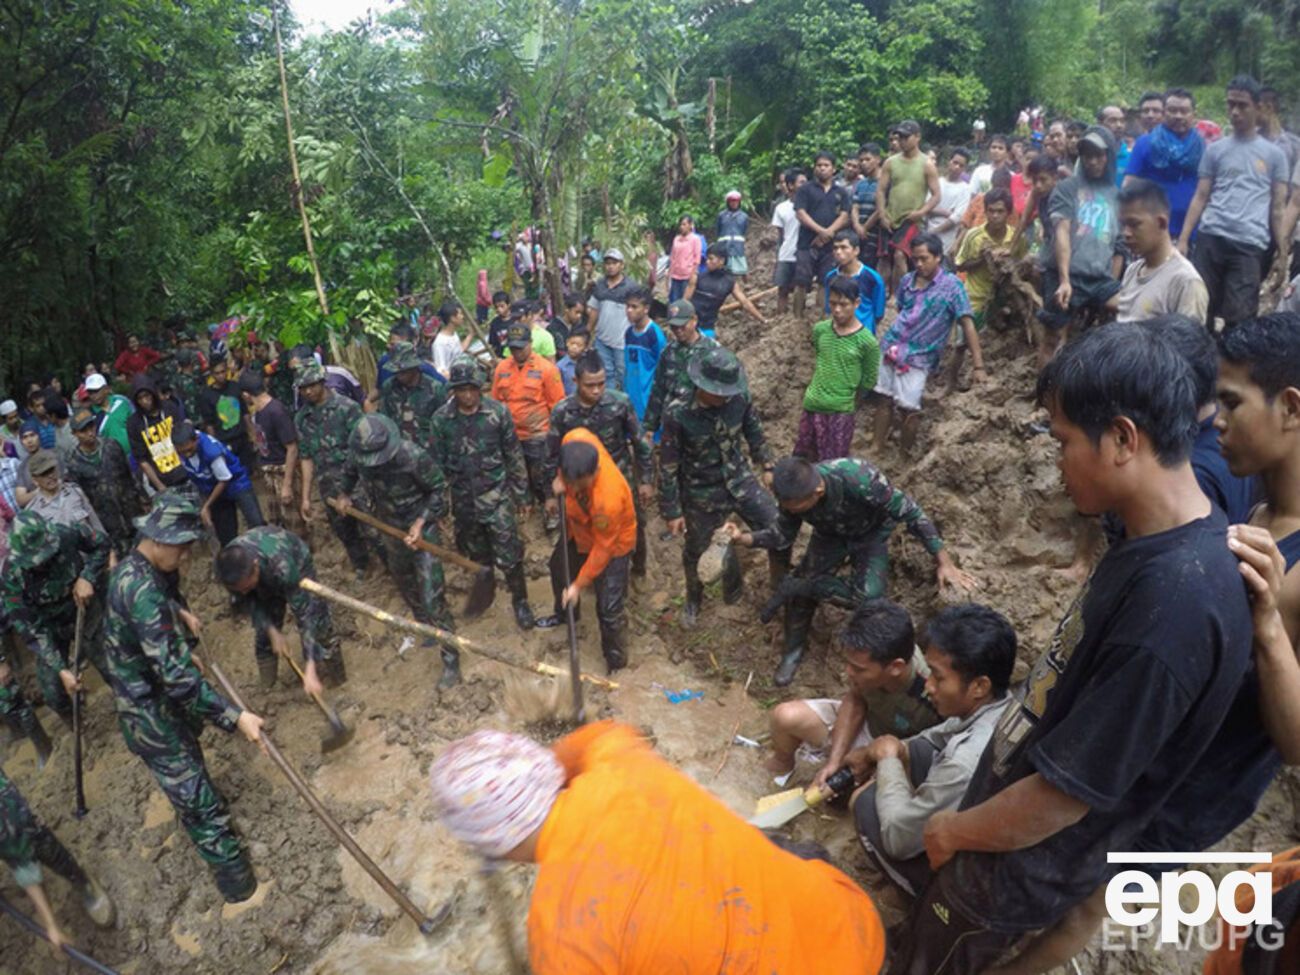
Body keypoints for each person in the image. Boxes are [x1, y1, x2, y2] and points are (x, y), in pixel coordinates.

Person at [888, 323, 1253, 975]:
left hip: (1017, 865)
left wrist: (952, 830)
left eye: (1063, 440)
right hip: (1005, 837)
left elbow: (1064, 796)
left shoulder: (1174, 607)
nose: (1056, 462)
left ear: (1121, 437)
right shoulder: (1155, 544)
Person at [428, 721, 886, 974]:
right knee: (759, 844)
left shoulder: (559, 936)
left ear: (494, 845)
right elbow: (602, 733)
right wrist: (547, 768)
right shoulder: (616, 762)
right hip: (855, 925)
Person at [102, 491, 266, 902]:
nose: (186, 558)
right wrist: (234, 716)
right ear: (159, 540)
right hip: (149, 715)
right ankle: (240, 891)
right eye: (183, 549)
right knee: (198, 803)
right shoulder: (141, 589)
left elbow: (157, 637)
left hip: (156, 700)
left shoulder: (137, 570)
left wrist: (178, 614)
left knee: (193, 774)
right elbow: (177, 679)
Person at [732, 455, 975, 684]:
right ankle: (793, 651)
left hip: (871, 534)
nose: (789, 509)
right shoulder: (791, 495)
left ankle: (808, 586)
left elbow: (912, 513)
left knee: (868, 599)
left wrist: (944, 562)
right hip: (829, 536)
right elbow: (781, 535)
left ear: (817, 491)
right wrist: (742, 538)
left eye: (795, 506)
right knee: (798, 594)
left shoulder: (860, 479)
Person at [847, 604, 1016, 898]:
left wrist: (887, 760)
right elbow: (935, 736)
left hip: (982, 885)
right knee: (917, 749)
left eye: (938, 677)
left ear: (979, 686)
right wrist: (884, 749)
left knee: (864, 803)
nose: (928, 686)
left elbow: (899, 837)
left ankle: (921, 898)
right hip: (984, 828)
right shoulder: (998, 705)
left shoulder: (965, 762)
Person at [660, 347, 787, 626]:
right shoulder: (678, 413)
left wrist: (766, 465)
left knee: (778, 528)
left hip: (739, 479)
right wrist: (672, 510)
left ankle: (779, 591)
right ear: (700, 384)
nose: (724, 396)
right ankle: (694, 599)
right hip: (701, 489)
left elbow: (753, 432)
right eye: (718, 391)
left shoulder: (739, 399)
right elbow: (668, 465)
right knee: (696, 549)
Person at [332, 414, 459, 686]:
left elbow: (439, 489)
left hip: (420, 527)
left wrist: (422, 521)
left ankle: (451, 659)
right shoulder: (359, 454)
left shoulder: (411, 455)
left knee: (432, 593)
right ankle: (424, 626)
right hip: (388, 525)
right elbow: (349, 473)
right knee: (403, 578)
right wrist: (343, 494)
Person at [762, 599, 938, 782]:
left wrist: (872, 757)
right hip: (866, 726)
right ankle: (782, 766)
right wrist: (834, 761)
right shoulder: (877, 657)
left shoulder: (932, 691)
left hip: (896, 755)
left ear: (895, 667)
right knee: (786, 717)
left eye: (859, 669)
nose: (848, 672)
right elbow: (855, 700)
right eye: (848, 663)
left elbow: (937, 748)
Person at [430, 357, 536, 631]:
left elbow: (513, 455)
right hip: (464, 500)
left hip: (496, 496)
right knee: (476, 553)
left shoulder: (497, 413)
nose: (467, 395)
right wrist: (440, 507)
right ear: (453, 390)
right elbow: (437, 467)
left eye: (472, 388)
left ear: (481, 387)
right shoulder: (442, 420)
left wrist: (522, 495)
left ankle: (520, 600)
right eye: (461, 389)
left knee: (510, 554)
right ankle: (485, 590)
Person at [1178, 75, 1290, 328]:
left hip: (1249, 244)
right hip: (1211, 237)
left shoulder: (1275, 155)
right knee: (1198, 310)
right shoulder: (1216, 150)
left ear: (1258, 107)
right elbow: (1201, 196)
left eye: (1242, 105)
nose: (1235, 112)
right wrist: (1184, 239)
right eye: (1230, 105)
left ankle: (1231, 367)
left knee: (1240, 320)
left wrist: (1282, 254)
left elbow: (1278, 208)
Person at [873, 233, 987, 454]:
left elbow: (967, 323)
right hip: (892, 346)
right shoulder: (907, 281)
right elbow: (903, 312)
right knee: (883, 400)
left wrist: (978, 366)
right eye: (915, 259)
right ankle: (876, 446)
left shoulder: (952, 286)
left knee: (909, 409)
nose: (919, 264)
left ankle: (903, 456)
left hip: (919, 357)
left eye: (924, 258)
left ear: (938, 257)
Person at [546, 351, 654, 580]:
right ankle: (596, 573)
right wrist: (550, 494)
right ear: (576, 382)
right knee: (586, 526)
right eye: (589, 385)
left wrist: (646, 480)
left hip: (619, 476)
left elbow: (640, 442)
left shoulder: (619, 403)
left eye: (601, 384)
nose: (596, 390)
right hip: (580, 483)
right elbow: (552, 454)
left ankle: (638, 569)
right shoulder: (562, 412)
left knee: (634, 523)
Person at [535, 431, 636, 673]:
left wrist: (578, 585)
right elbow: (560, 468)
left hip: (612, 542)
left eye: (575, 484)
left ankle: (616, 661)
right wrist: (556, 486)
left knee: (608, 608)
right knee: (558, 567)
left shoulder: (607, 499)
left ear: (592, 475)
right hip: (577, 525)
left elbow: (603, 549)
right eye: (567, 481)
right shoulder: (576, 439)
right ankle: (565, 613)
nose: (569, 486)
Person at [1, 509, 110, 725]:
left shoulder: (64, 535)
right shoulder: (11, 577)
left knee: (113, 667)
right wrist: (61, 669)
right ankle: (79, 724)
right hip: (48, 628)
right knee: (53, 692)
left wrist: (87, 577)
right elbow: (30, 628)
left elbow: (102, 544)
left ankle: (137, 709)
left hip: (84, 611)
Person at [0, 767, 116, 959]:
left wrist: (51, 925)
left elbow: (23, 865)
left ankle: (79, 879)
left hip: (10, 820)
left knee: (33, 835)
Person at [215, 525, 346, 692]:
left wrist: (310, 669)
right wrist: (272, 632)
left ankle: (339, 680)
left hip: (296, 562)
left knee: (319, 624)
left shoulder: (281, 565)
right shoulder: (227, 569)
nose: (243, 592)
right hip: (264, 574)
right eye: (240, 589)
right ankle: (268, 686)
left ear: (255, 567)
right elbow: (249, 601)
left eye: (247, 586)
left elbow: (306, 614)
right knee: (264, 634)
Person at [1037, 126, 1121, 364]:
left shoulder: (1116, 196)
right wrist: (1064, 280)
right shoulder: (1067, 189)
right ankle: (1044, 397)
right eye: (1087, 155)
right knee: (1053, 336)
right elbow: (1061, 232)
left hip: (1099, 279)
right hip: (1064, 275)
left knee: (1127, 311)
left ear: (1108, 157)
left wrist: (1112, 282)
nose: (1093, 161)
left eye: (1099, 155)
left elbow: (1119, 246)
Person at [294, 362, 372, 581]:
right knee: (344, 531)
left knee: (373, 529)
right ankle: (362, 566)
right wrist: (306, 497)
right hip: (328, 485)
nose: (307, 391)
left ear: (322, 382)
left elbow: (363, 449)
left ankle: (390, 566)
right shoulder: (302, 419)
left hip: (357, 483)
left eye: (311, 385)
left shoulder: (347, 408)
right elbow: (306, 458)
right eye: (303, 388)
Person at [794, 277, 880, 463]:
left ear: (856, 303)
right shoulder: (820, 330)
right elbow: (820, 357)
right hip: (812, 404)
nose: (837, 310)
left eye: (843, 304)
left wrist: (852, 399)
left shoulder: (867, 342)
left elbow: (869, 379)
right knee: (803, 463)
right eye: (832, 303)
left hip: (840, 411)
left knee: (833, 467)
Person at [492, 322, 565, 530]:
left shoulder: (547, 370)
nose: (517, 352)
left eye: (521, 348)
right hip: (510, 434)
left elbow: (558, 406)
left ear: (531, 344)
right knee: (515, 474)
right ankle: (524, 507)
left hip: (538, 434)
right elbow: (496, 402)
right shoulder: (502, 369)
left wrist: (556, 438)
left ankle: (551, 510)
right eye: (513, 348)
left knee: (542, 474)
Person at [952, 186, 1028, 386]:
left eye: (1000, 211)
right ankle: (951, 382)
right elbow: (959, 264)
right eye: (991, 211)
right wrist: (982, 259)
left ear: (1008, 213)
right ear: (985, 211)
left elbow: (1023, 266)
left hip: (1002, 298)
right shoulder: (974, 236)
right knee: (961, 344)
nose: (995, 216)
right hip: (974, 297)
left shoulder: (1015, 238)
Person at [1112, 179, 1209, 323]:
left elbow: (1190, 343)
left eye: (1134, 224)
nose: (1126, 233)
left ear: (1161, 223)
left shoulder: (1185, 282)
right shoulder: (1132, 271)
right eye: (1123, 225)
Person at [1123, 87, 1205, 241]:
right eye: (1172, 110)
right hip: (1151, 232)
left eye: (1184, 111)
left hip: (1192, 234)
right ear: (1164, 112)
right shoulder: (1146, 143)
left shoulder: (1201, 147)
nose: (1178, 116)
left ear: (1194, 114)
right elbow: (1129, 186)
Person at [173, 420, 264, 548]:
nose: (186, 455)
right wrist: (205, 505)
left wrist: (207, 506)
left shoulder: (212, 452)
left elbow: (224, 479)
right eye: (182, 452)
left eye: (189, 450)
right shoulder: (181, 451)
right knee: (226, 535)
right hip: (212, 488)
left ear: (196, 440)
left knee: (256, 523)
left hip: (235, 482)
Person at [65, 407, 141, 557]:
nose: (90, 433)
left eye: (91, 427)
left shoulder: (111, 446)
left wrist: (141, 499)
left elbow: (129, 476)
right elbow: (82, 500)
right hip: (108, 525)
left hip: (132, 514)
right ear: (74, 434)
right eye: (83, 430)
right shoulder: (74, 464)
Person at [878, 120, 942, 296]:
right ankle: (881, 294)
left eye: (907, 137)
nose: (903, 141)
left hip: (911, 218)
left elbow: (936, 194)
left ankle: (903, 293)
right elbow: (881, 190)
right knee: (884, 257)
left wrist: (921, 212)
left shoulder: (926, 164)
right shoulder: (890, 162)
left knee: (901, 255)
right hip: (890, 216)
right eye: (901, 137)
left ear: (917, 137)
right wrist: (882, 214)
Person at [641, 298, 720, 438]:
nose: (678, 331)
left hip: (702, 427)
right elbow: (658, 389)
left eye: (682, 326)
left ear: (694, 320)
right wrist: (650, 427)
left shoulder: (712, 351)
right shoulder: (668, 352)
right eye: (673, 327)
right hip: (673, 425)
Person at [238, 370, 299, 534]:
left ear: (246, 395)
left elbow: (292, 448)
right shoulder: (257, 411)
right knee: (276, 520)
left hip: (281, 471)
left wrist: (287, 485)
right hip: (268, 470)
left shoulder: (276, 411)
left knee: (293, 521)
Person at [793, 151, 852, 319]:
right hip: (807, 243)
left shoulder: (840, 191)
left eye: (826, 165)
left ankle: (822, 318)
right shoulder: (805, 189)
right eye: (819, 165)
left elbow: (845, 215)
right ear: (814, 168)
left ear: (833, 169)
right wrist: (821, 231)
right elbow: (800, 213)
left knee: (825, 281)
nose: (822, 169)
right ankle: (796, 319)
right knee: (801, 281)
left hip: (831, 245)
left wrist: (830, 232)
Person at [125, 372, 187, 493]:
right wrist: (160, 486)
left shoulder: (169, 408)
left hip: (184, 470)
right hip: (161, 478)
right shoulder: (134, 423)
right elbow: (141, 459)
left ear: (153, 394)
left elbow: (185, 437)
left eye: (147, 396)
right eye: (140, 398)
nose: (145, 401)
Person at [586, 248, 637, 390]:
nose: (610, 266)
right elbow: (594, 310)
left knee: (623, 374)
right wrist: (588, 332)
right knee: (606, 373)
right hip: (602, 340)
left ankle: (625, 405)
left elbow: (637, 312)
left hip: (622, 341)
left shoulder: (631, 287)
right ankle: (609, 404)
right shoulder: (600, 285)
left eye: (614, 263)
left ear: (621, 265)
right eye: (607, 263)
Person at [23, 449, 104, 534]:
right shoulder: (34, 511)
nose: (50, 476)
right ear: (35, 480)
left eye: (51, 470)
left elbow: (95, 523)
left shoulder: (75, 492)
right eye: (44, 474)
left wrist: (106, 544)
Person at [380, 340, 446, 444]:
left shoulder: (435, 389)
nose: (399, 376)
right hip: (397, 449)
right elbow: (384, 419)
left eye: (403, 372)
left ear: (414, 367)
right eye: (396, 372)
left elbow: (444, 424)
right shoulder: (389, 387)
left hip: (427, 451)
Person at [822, 229, 887, 334]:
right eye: (835, 248)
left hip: (864, 333)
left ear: (856, 250)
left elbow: (878, 313)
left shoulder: (872, 278)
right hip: (838, 333)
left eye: (843, 247)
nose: (838, 252)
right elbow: (829, 309)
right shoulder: (830, 277)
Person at [199, 355, 254, 476]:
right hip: (225, 441)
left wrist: (253, 434)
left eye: (223, 372)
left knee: (248, 471)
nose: (221, 376)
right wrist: (216, 447)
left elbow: (245, 412)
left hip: (241, 437)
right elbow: (209, 424)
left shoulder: (235, 387)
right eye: (217, 373)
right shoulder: (206, 395)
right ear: (212, 375)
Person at [622, 286, 665, 423]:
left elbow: (662, 367)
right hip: (630, 395)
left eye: (634, 307)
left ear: (646, 309)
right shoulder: (629, 333)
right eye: (627, 306)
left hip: (647, 398)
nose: (629, 310)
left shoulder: (654, 334)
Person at [771, 170, 806, 314]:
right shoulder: (781, 208)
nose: (806, 185)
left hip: (804, 254)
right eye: (801, 182)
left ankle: (798, 319)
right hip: (786, 254)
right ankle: (781, 319)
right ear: (791, 185)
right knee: (782, 289)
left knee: (801, 288)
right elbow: (781, 235)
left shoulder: (810, 206)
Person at [928, 148, 973, 255]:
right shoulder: (937, 182)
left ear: (965, 168)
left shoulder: (966, 189)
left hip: (947, 239)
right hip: (928, 233)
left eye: (961, 165)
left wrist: (935, 231)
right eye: (955, 162)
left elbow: (957, 217)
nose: (957, 167)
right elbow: (927, 206)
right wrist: (947, 213)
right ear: (949, 161)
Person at [431, 301, 471, 378]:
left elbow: (460, 350)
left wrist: (471, 335)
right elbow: (441, 371)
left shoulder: (454, 335)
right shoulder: (440, 343)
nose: (462, 317)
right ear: (453, 318)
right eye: (460, 314)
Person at [716, 190, 750, 277]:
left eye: (736, 201)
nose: (734, 203)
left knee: (738, 272)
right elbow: (718, 231)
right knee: (723, 271)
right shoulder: (721, 216)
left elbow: (744, 230)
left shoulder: (744, 216)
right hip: (724, 248)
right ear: (728, 202)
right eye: (732, 201)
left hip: (737, 249)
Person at [556, 326, 588, 397]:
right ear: (567, 342)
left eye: (579, 345)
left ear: (585, 347)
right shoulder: (560, 366)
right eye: (572, 343)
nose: (574, 347)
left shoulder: (588, 363)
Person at [486, 291, 513, 360]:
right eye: (496, 307)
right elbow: (493, 344)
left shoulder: (516, 320)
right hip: (501, 359)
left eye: (502, 306)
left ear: (508, 304)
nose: (499, 309)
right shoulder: (494, 323)